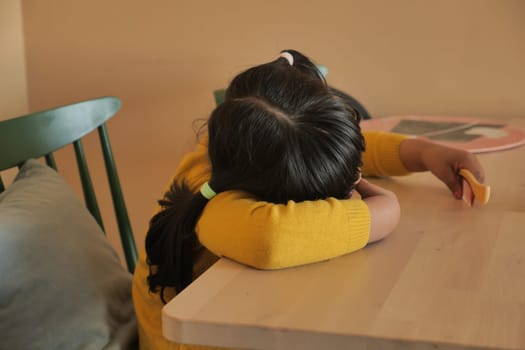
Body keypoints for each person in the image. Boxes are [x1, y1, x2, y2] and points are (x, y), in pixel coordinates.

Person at [132, 49, 485, 350]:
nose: (354, 179)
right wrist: (381, 212)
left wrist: (421, 152)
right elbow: (269, 239)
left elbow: (331, 148)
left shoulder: (244, 151)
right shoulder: (215, 201)